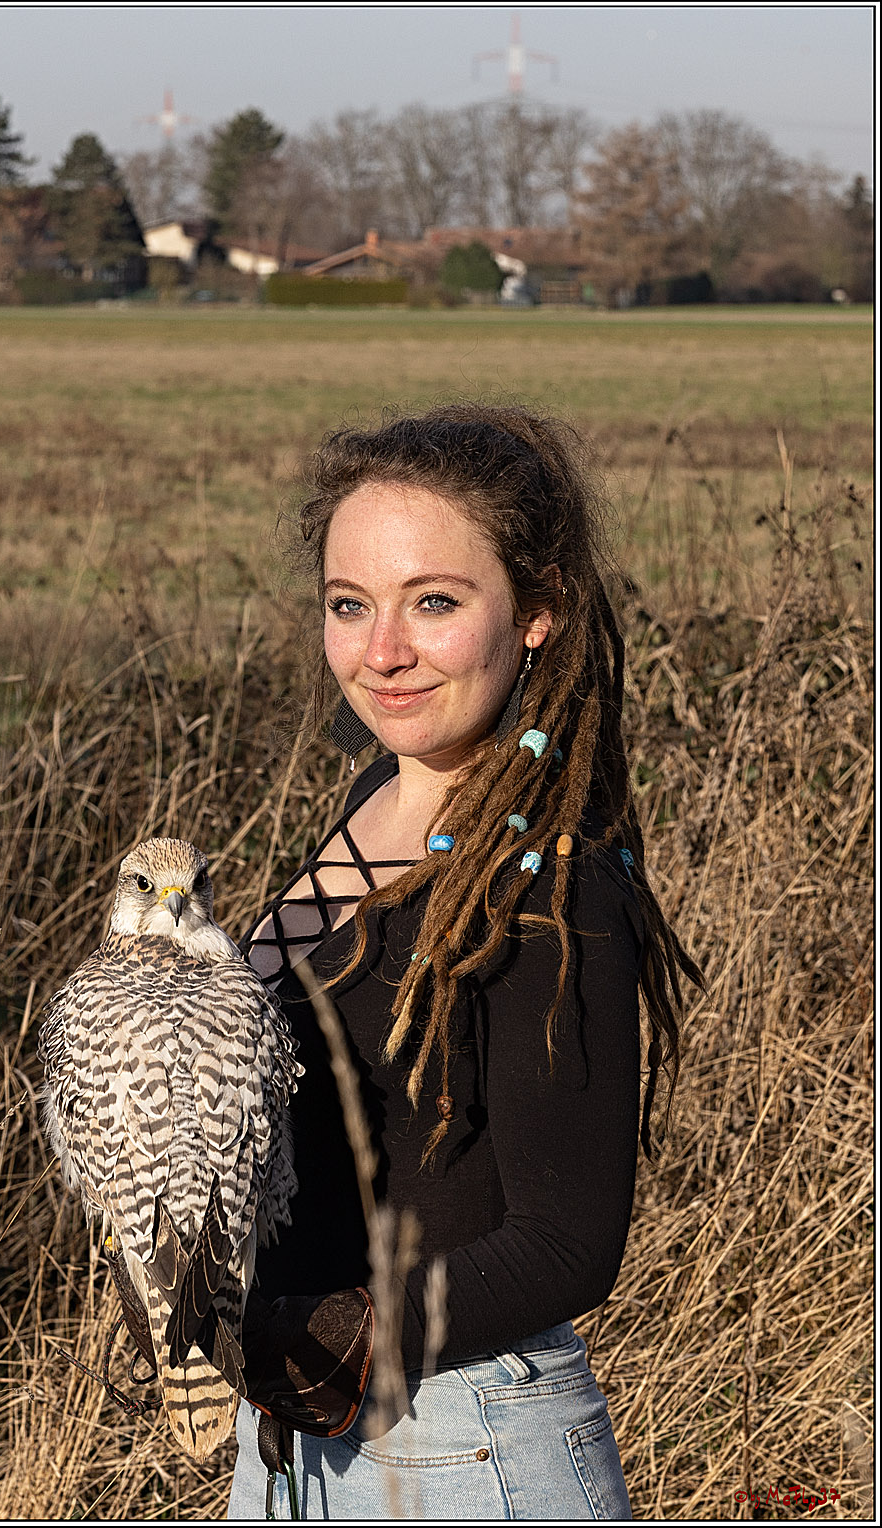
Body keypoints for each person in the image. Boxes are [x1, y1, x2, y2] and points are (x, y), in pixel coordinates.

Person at [226, 403, 702, 1520]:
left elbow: (569, 1241)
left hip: (460, 1445)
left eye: (433, 602)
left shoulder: (550, 879)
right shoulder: (374, 802)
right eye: (350, 605)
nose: (380, 651)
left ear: (537, 613)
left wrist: (350, 1332)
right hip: (293, 1447)